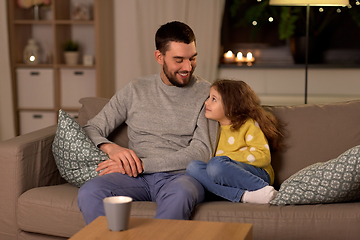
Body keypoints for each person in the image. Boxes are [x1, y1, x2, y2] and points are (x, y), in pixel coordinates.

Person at [77, 21, 218, 224]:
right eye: (179, 60)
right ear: (159, 57)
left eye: (193, 58)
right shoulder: (135, 89)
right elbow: (91, 128)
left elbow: (201, 152)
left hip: (179, 178)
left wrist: (143, 165)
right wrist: (111, 148)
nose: (188, 67)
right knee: (90, 191)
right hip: (133, 178)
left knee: (181, 195)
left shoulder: (208, 94)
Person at [186, 79, 284, 204]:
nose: (206, 102)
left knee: (216, 165)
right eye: (209, 98)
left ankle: (263, 188)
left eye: (213, 99)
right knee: (192, 167)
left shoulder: (248, 124)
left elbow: (263, 156)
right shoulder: (213, 128)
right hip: (224, 175)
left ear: (230, 105)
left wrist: (227, 160)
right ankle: (244, 196)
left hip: (256, 174)